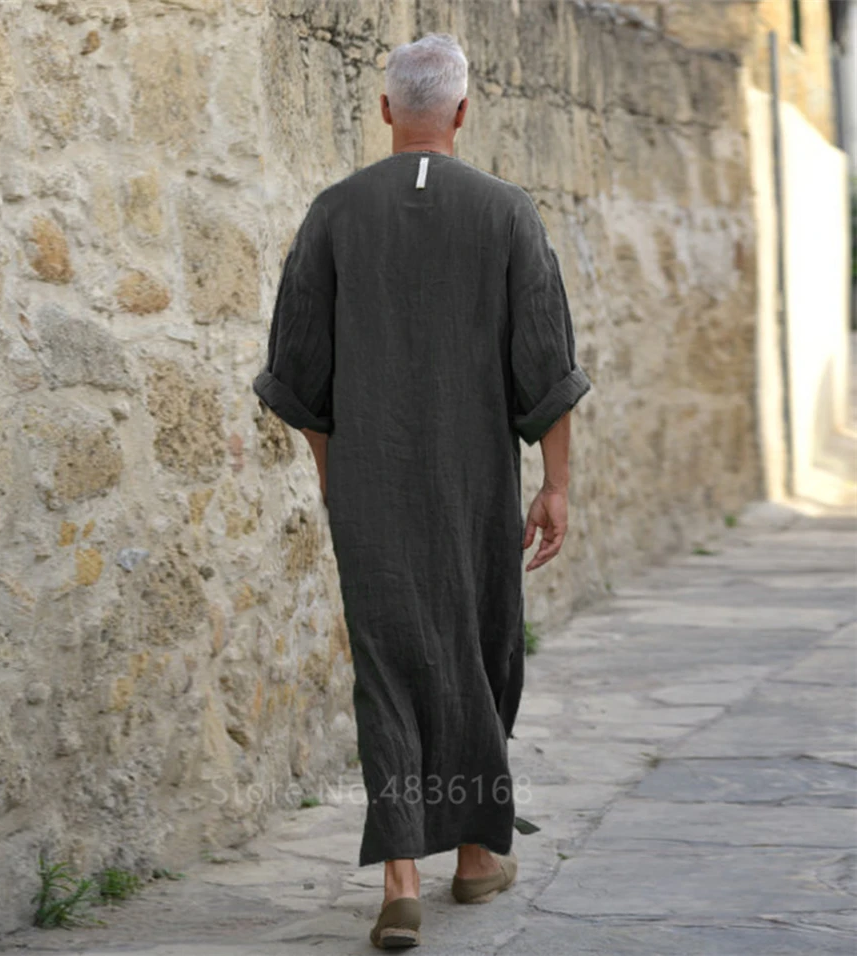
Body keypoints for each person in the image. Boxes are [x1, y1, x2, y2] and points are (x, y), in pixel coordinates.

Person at [252, 32, 592, 950]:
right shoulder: (508, 213)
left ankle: (401, 878)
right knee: (482, 651)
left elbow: (298, 376)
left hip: (370, 486)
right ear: (465, 113)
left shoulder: (332, 213)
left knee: (389, 664)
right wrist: (556, 486)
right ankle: (476, 858)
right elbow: (548, 366)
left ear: (387, 112)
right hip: (476, 486)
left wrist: (338, 482)